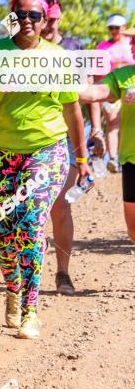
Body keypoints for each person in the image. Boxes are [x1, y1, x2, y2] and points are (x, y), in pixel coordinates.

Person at [0, 0, 91, 339]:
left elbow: (71, 109)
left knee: (30, 225)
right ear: (10, 18)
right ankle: (12, 289)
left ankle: (31, 310)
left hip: (46, 149)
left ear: (45, 21)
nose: (27, 20)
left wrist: (81, 157)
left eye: (35, 15)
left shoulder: (58, 57)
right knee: (0, 233)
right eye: (20, 14)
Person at [41, 0, 86, 296]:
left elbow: (82, 95)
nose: (48, 25)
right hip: (33, 136)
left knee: (61, 206)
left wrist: (92, 134)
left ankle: (63, 274)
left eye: (54, 19)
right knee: (31, 209)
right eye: (46, 19)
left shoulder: (74, 49)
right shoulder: (20, 49)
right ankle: (22, 272)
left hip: (67, 135)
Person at [77, 26, 135, 245]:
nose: (131, 45)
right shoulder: (123, 76)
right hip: (131, 158)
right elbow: (94, 92)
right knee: (133, 233)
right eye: (132, 41)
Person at [95, 14, 135, 173]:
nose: (113, 31)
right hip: (110, 89)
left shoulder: (130, 44)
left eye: (116, 27)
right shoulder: (103, 47)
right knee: (113, 123)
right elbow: (97, 71)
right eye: (110, 28)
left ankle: (124, 157)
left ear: (124, 27)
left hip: (129, 89)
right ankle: (113, 159)